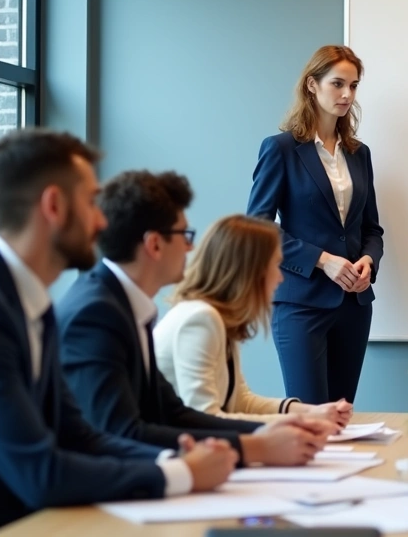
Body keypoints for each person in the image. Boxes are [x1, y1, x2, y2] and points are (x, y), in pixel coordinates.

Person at [0, 129, 238, 536]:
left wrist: (172, 462)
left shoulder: (28, 302)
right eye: (92, 202)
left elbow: (79, 436)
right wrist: (179, 475)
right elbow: (39, 471)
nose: (102, 221)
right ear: (54, 206)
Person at [56, 170, 335, 468]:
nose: (191, 247)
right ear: (154, 245)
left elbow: (174, 413)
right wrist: (256, 446)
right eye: (185, 235)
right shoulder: (98, 313)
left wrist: (273, 431)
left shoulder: (126, 307)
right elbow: (122, 432)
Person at [246, 45, 384, 404]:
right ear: (312, 84)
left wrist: (369, 261)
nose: (346, 95)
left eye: (353, 86)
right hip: (301, 303)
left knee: (340, 419)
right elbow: (257, 227)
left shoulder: (359, 153)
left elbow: (372, 229)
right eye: (337, 84)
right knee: (309, 418)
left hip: (354, 305)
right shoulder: (281, 149)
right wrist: (323, 260)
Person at [156, 214, 356, 426]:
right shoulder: (200, 319)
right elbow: (206, 418)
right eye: (275, 265)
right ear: (250, 270)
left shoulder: (218, 318)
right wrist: (294, 424)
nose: (279, 277)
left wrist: (311, 412)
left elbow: (241, 401)